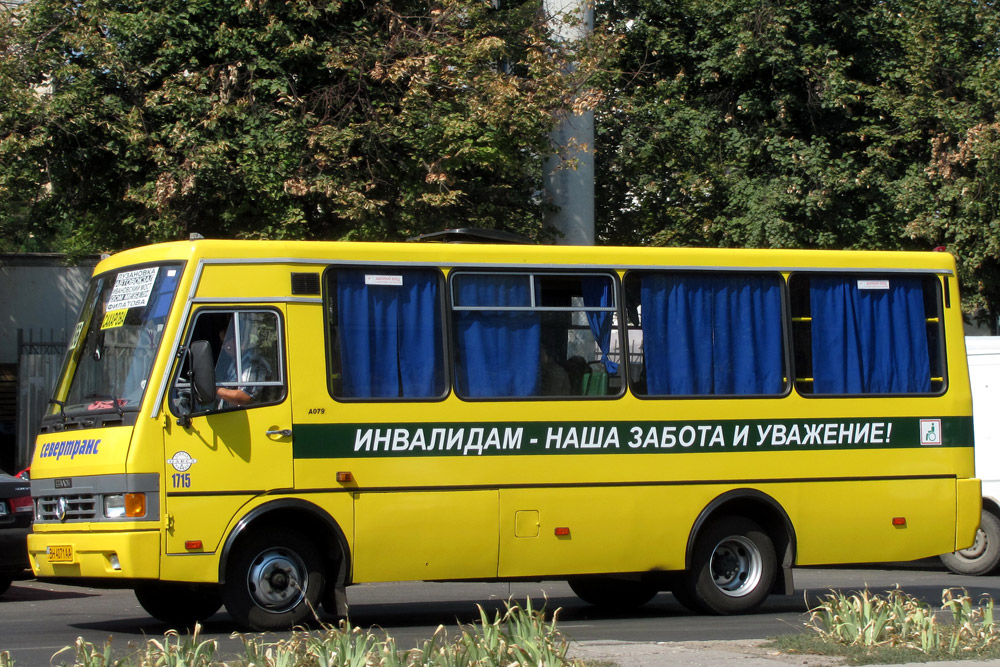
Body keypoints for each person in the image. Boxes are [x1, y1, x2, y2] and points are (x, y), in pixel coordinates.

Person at [214, 317, 271, 408]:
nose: (223, 347)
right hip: (228, 416)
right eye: (222, 343)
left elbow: (245, 396)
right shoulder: (234, 362)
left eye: (224, 342)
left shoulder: (253, 363)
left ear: (237, 340)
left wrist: (215, 390)